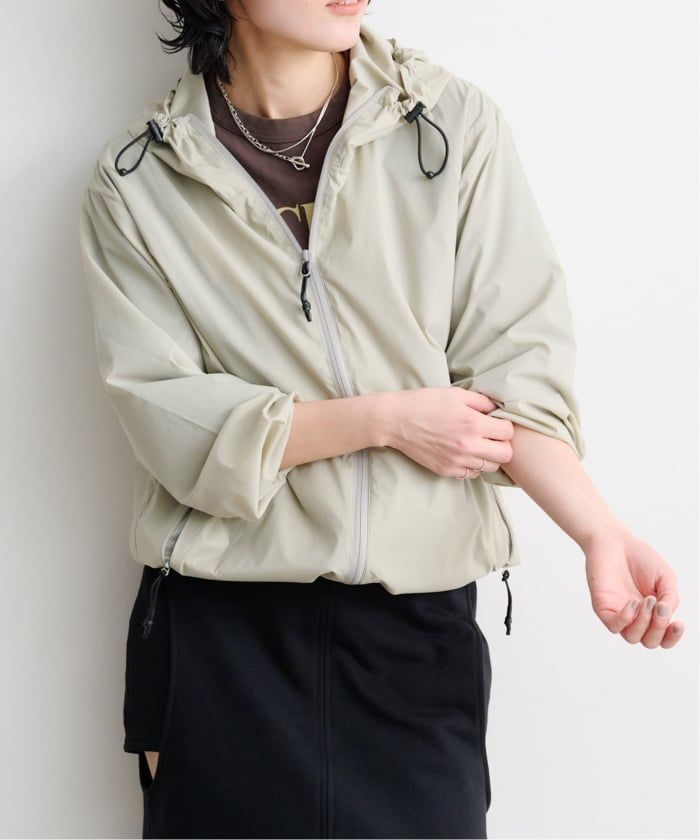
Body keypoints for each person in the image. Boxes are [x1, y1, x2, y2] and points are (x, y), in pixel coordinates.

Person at [77, 1, 684, 837]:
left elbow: (515, 376)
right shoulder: (140, 181)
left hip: (415, 634)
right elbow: (171, 424)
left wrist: (599, 533)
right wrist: (386, 420)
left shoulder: (451, 125)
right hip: (222, 636)